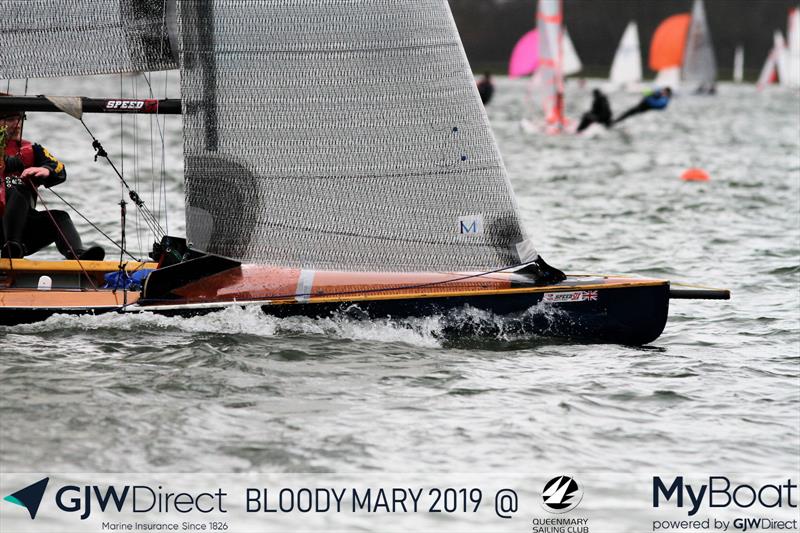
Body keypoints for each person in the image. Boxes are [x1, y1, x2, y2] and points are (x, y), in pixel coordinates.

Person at [1, 108, 104, 260]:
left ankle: (78, 256)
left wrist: (46, 170)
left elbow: (59, 169)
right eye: (11, 119)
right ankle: (11, 246)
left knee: (60, 217)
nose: (18, 124)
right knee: (16, 191)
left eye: (21, 118)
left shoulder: (33, 150)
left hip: (24, 231)